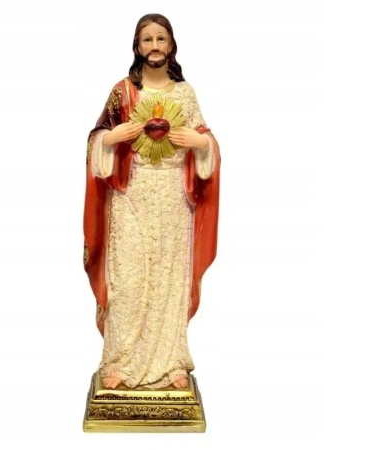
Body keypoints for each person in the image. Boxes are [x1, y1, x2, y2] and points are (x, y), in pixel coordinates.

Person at [83, 13, 220, 390]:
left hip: (174, 198)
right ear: (137, 46)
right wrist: (110, 139)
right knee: (128, 279)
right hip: (131, 195)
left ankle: (172, 361)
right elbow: (96, 139)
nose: (155, 46)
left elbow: (206, 138)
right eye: (148, 39)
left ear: (171, 45)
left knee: (169, 279)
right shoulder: (123, 92)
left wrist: (200, 143)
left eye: (161, 39)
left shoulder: (185, 93)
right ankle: (119, 361)